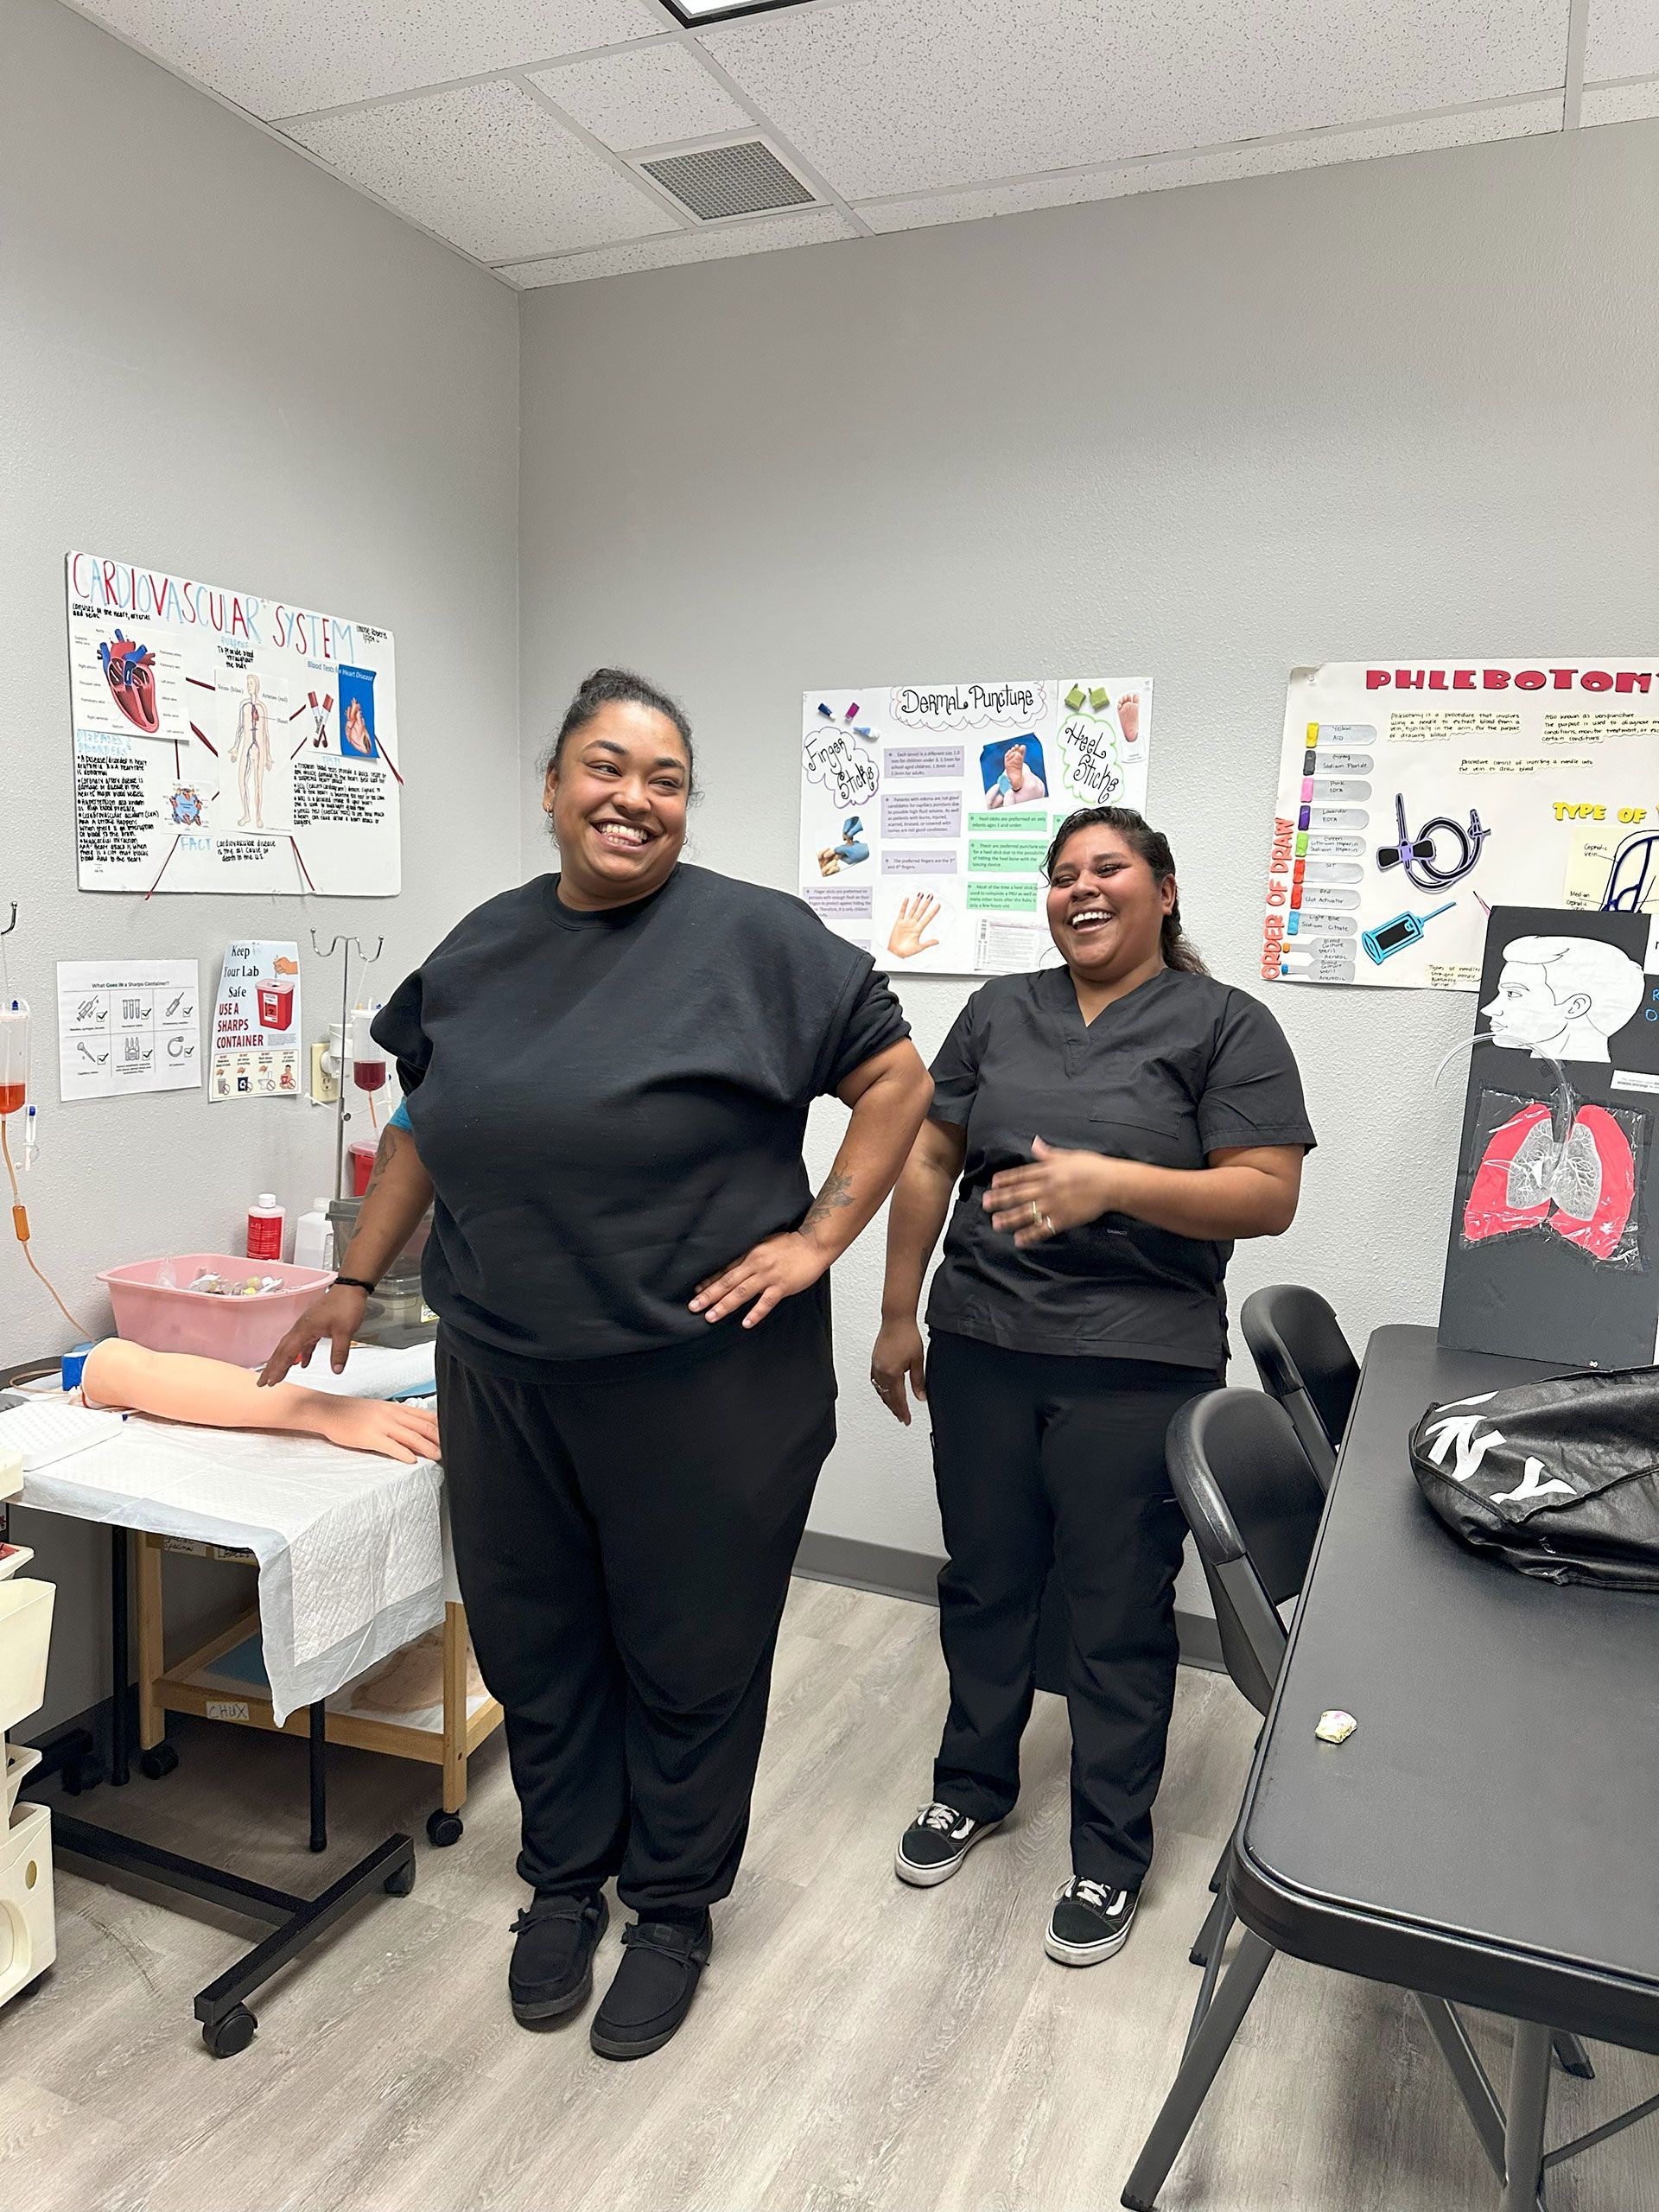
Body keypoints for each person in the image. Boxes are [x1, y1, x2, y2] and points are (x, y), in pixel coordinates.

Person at [262, 668, 931, 2060]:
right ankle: (563, 1883)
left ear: (687, 802)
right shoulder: (483, 947)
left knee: (689, 1651)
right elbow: (422, 1131)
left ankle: (674, 1904)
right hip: (506, 1366)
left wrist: (819, 1239)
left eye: (666, 778)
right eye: (606, 768)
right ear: (556, 787)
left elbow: (896, 1082)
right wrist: (351, 1276)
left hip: (704, 1380)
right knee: (538, 1638)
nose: (635, 797)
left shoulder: (758, 939)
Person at [871, 805, 1313, 1967]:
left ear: (1164, 890)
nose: (1082, 888)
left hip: (1135, 1363)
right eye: (1062, 873)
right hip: (981, 1347)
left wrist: (1111, 1184)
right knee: (985, 1582)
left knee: (1116, 1611)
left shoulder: (1227, 1025)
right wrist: (893, 1314)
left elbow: (1266, 1193)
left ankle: (1110, 1852)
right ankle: (972, 1785)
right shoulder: (998, 1012)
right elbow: (929, 1155)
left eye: (1108, 869)